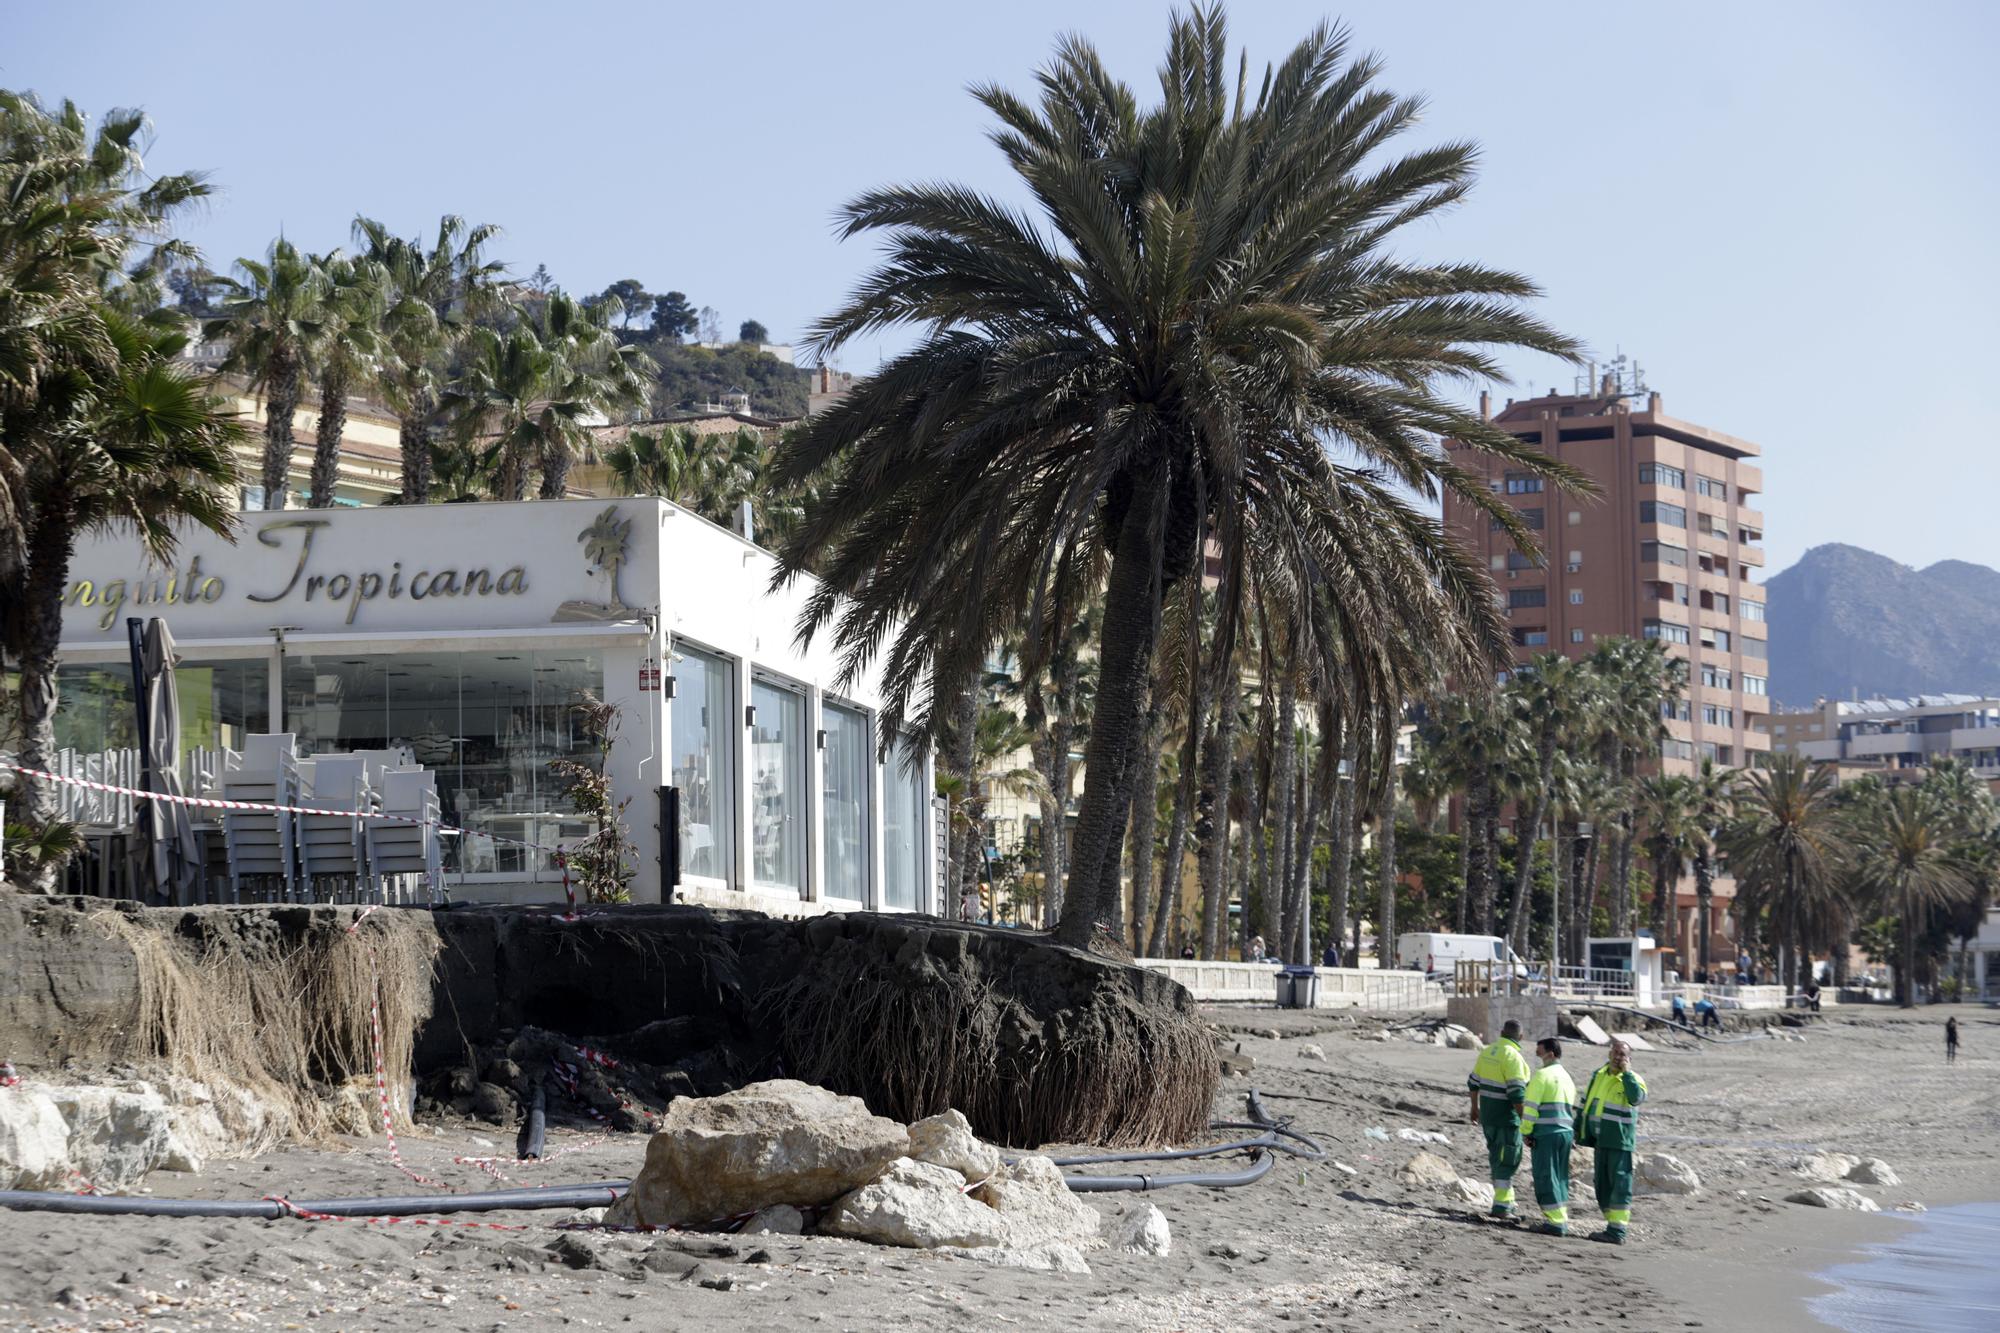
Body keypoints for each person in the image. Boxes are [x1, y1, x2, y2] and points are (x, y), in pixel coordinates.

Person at [1577, 1038, 1648, 1244]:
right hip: (1599, 1140)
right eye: (1615, 1053)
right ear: (1609, 1054)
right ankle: (1611, 1225)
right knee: (1602, 1185)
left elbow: (1636, 1098)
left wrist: (1626, 1074)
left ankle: (1617, 1231)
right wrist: (1578, 1129)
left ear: (1629, 1059)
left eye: (1623, 1054)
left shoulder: (1633, 1079)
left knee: (1619, 1185)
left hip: (1619, 1141)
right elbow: (1586, 1102)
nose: (1618, 1057)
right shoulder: (1599, 1076)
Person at [1466, 1018, 1531, 1220]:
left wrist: (1474, 1108)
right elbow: (1517, 1095)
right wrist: (1525, 1122)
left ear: (1502, 1032)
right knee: (1508, 1160)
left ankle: (1507, 1203)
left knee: (1496, 1157)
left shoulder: (1487, 1052)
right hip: (1506, 1120)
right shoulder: (1513, 1058)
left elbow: (1473, 1083)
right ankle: (1501, 1206)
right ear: (1520, 1037)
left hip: (1488, 1116)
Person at [1521, 1037, 1578, 1236]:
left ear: (1550, 1054)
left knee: (1546, 1176)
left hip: (1546, 1134)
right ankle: (1560, 1216)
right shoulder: (1566, 1077)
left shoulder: (1542, 1076)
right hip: (1565, 1133)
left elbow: (1530, 1108)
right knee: (1560, 1176)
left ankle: (1555, 1223)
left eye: (1539, 1052)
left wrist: (1526, 1132)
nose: (1537, 1056)